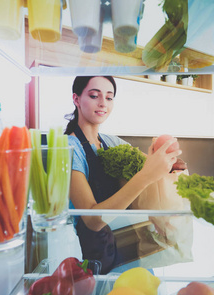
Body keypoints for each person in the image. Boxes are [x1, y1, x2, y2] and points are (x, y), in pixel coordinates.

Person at [64, 76, 181, 273]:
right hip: (100, 259)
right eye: (94, 95)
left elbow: (149, 168)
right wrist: (146, 176)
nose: (103, 103)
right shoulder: (69, 148)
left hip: (132, 247)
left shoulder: (112, 142)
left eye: (109, 98)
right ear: (76, 99)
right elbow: (93, 221)